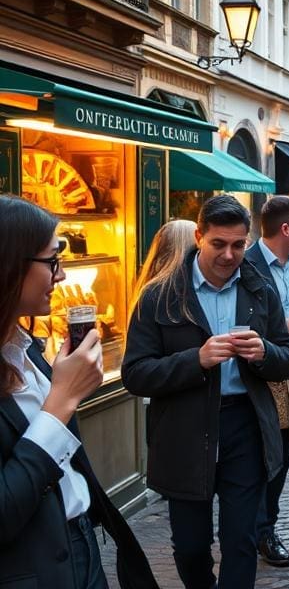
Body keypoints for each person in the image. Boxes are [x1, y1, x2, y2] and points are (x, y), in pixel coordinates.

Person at [123, 195, 289, 589]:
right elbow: (135, 373)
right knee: (189, 546)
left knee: (240, 541)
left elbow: (288, 358)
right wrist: (195, 360)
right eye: (218, 244)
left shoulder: (259, 290)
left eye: (238, 244)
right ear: (199, 236)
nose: (229, 254)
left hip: (244, 425)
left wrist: (265, 352)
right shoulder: (160, 295)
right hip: (185, 429)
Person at [0, 196, 159, 589]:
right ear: (10, 264)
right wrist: (60, 403)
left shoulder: (26, 349)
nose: (62, 276)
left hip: (81, 549)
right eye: (52, 261)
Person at [244, 196, 289, 567]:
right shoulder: (246, 263)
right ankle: (254, 530)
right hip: (256, 375)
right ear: (286, 229)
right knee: (257, 454)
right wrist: (275, 328)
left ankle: (264, 527)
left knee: (282, 454)